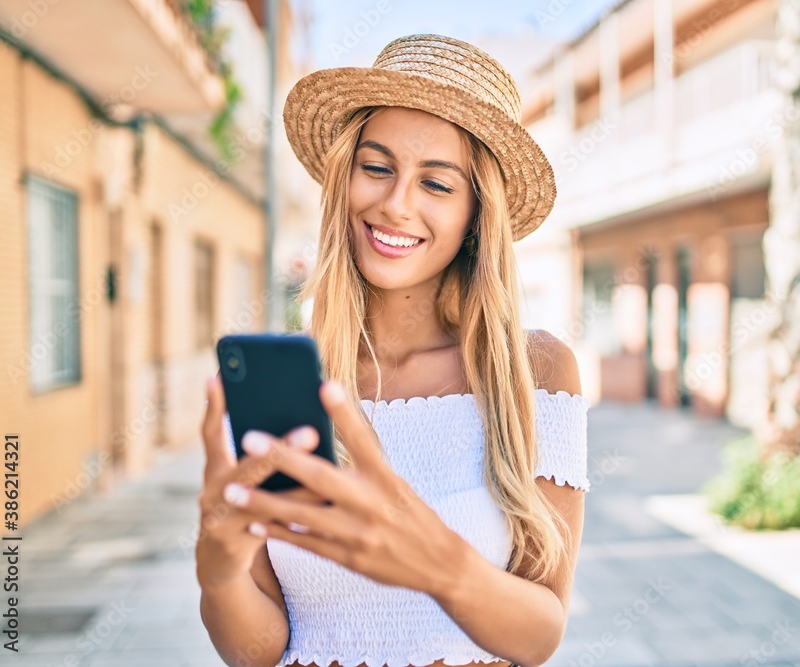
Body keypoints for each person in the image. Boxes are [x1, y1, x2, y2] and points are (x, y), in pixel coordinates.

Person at [195, 34, 590, 667]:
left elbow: (539, 634)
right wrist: (218, 570)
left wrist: (429, 554)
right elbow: (259, 650)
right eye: (376, 168)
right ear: (343, 180)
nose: (396, 204)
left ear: (475, 216)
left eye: (437, 184)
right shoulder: (291, 381)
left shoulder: (534, 368)